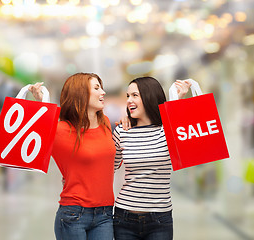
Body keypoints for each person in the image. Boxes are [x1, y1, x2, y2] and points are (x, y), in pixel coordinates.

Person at [28, 73, 116, 240]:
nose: (103, 92)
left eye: (101, 87)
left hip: (105, 213)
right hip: (74, 214)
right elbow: (31, 136)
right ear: (80, 93)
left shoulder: (105, 123)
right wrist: (42, 103)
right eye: (97, 88)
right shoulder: (59, 130)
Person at [112, 77, 191, 240]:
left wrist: (179, 99)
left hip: (160, 219)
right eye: (127, 96)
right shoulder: (122, 131)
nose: (129, 101)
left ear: (149, 97)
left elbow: (190, 141)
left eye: (135, 95)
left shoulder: (168, 130)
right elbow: (108, 167)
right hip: (124, 217)